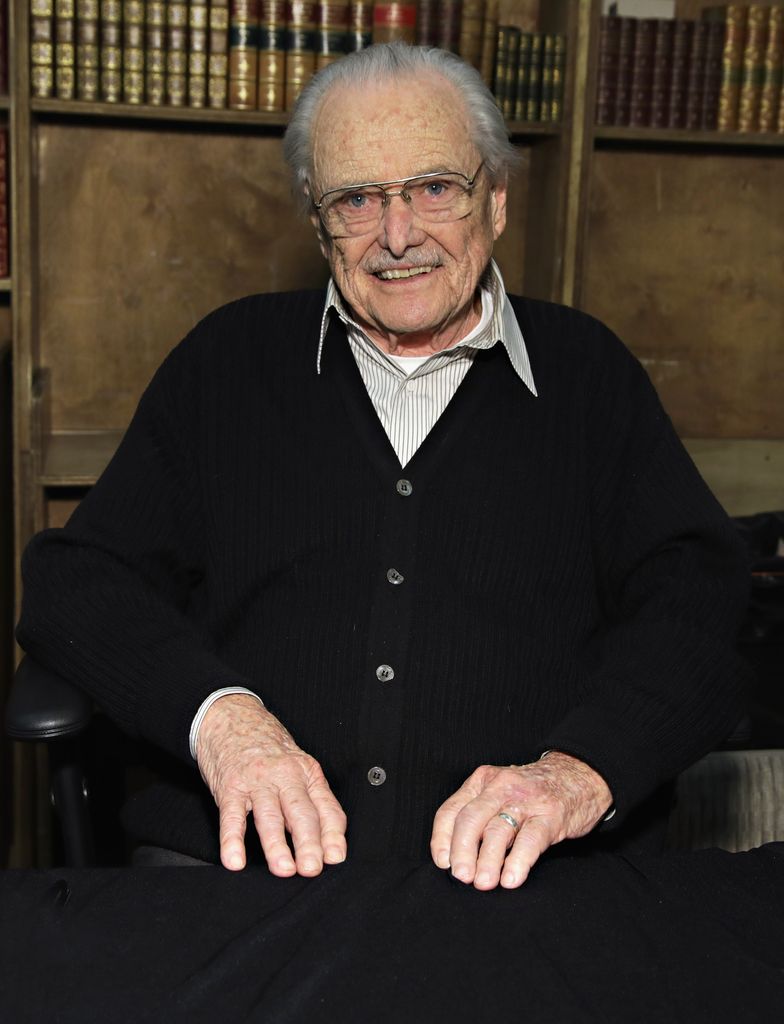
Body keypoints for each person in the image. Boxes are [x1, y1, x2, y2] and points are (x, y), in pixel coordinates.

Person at [16, 43, 749, 890]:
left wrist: (578, 773)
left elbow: (701, 605)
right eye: (357, 198)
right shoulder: (227, 362)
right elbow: (77, 582)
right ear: (316, 218)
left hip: (531, 885)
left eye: (436, 188)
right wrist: (221, 724)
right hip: (236, 875)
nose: (398, 236)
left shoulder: (591, 378)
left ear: (497, 201)